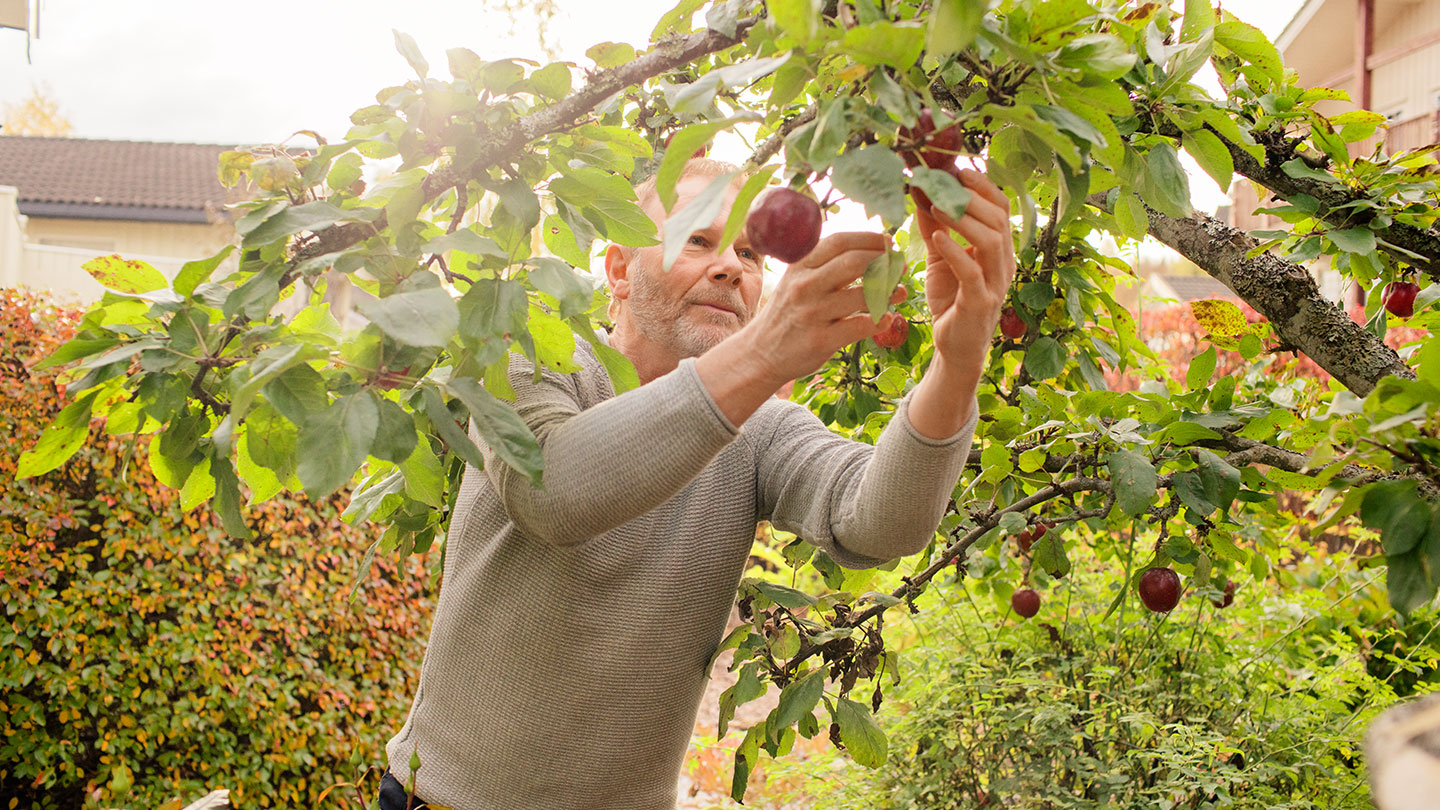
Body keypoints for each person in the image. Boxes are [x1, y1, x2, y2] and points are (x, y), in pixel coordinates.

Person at [379, 158, 1016, 810]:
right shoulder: (533, 357)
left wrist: (958, 360)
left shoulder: (761, 430)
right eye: (698, 239)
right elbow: (555, 492)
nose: (731, 267)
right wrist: (765, 353)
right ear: (620, 270)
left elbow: (883, 524)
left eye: (751, 252)